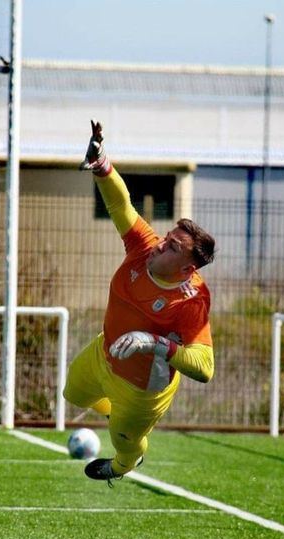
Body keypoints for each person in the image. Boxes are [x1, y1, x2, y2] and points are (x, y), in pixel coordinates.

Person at [64, 120, 216, 485]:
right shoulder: (144, 248)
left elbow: (205, 367)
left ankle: (125, 464)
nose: (161, 245)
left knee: (124, 443)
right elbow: (122, 204)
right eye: (166, 238)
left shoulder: (192, 299)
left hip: (142, 390)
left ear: (187, 267)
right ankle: (114, 418)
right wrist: (102, 167)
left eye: (173, 248)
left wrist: (155, 343)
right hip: (106, 353)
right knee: (73, 393)